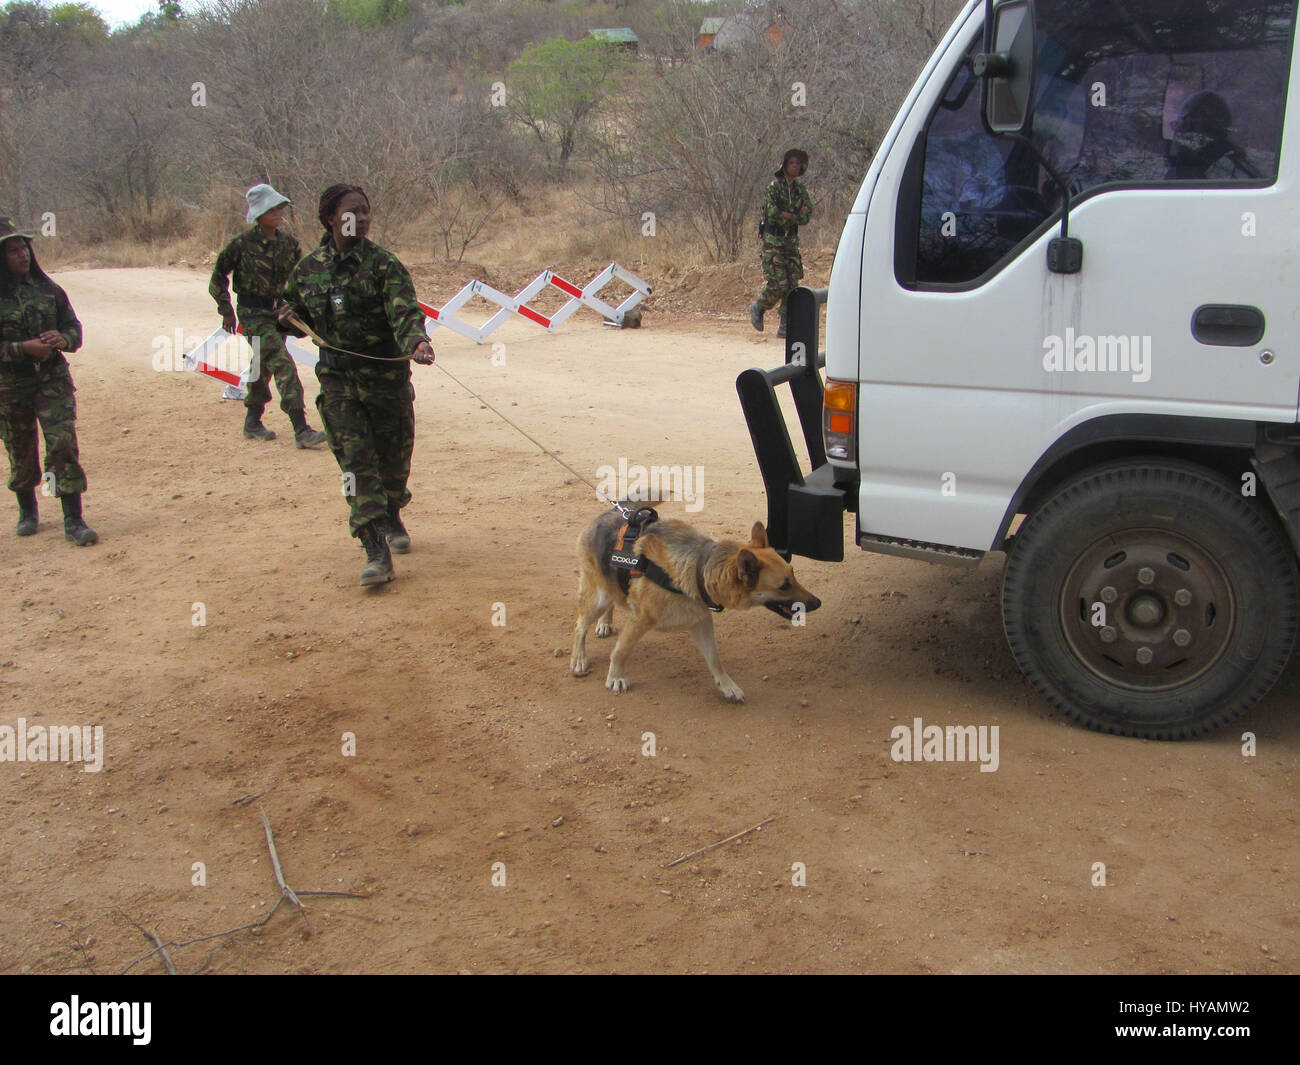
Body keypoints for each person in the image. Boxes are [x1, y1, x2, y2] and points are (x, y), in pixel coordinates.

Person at [279, 185, 435, 587]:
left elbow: (404, 311)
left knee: (394, 464)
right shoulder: (309, 269)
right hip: (338, 383)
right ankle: (375, 549)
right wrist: (284, 319)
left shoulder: (385, 265)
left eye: (366, 211)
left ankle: (392, 509)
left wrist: (416, 342)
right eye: (353, 212)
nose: (362, 218)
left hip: (387, 384)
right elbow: (288, 310)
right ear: (331, 218)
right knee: (355, 464)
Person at [0, 216, 97, 545]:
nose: (22, 255)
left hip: (52, 381)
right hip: (11, 388)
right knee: (20, 448)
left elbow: (75, 331)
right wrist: (21, 349)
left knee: (62, 444)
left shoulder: (48, 290)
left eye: (24, 247)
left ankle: (73, 518)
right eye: (13, 250)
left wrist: (63, 338)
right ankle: (27, 510)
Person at [210, 183, 327, 448]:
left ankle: (252, 421)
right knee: (283, 364)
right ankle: (301, 429)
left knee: (262, 366)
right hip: (252, 315)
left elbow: (300, 279)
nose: (277, 213)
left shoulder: (288, 245)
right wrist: (226, 310)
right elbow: (217, 278)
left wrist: (297, 308)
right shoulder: (241, 245)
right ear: (258, 214)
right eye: (271, 209)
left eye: (279, 208)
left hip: (278, 313)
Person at [750, 148, 813, 339]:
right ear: (785, 165)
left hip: (791, 241)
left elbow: (807, 214)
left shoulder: (800, 189)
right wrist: (794, 215)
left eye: (798, 163)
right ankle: (759, 306)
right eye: (792, 163)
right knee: (779, 283)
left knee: (793, 284)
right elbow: (772, 214)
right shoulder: (774, 187)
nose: (795, 166)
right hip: (773, 241)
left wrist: (790, 216)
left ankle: (786, 323)